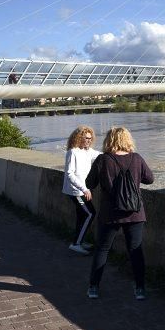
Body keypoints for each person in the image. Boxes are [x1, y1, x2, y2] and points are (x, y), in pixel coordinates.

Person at [85, 127, 154, 301]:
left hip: (110, 213)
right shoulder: (137, 158)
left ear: (109, 140)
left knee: (102, 249)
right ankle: (140, 289)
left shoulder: (103, 159)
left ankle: (93, 288)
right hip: (134, 213)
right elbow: (150, 179)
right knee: (135, 251)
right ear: (128, 140)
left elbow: (89, 183)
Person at [61, 125, 101, 255]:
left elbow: (101, 155)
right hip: (76, 191)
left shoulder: (88, 151)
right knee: (90, 214)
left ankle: (79, 240)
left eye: (90, 138)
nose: (89, 140)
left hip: (81, 190)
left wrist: (117, 152)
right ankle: (76, 244)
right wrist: (84, 189)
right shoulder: (73, 152)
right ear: (79, 137)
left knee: (82, 216)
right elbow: (69, 174)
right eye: (86, 138)